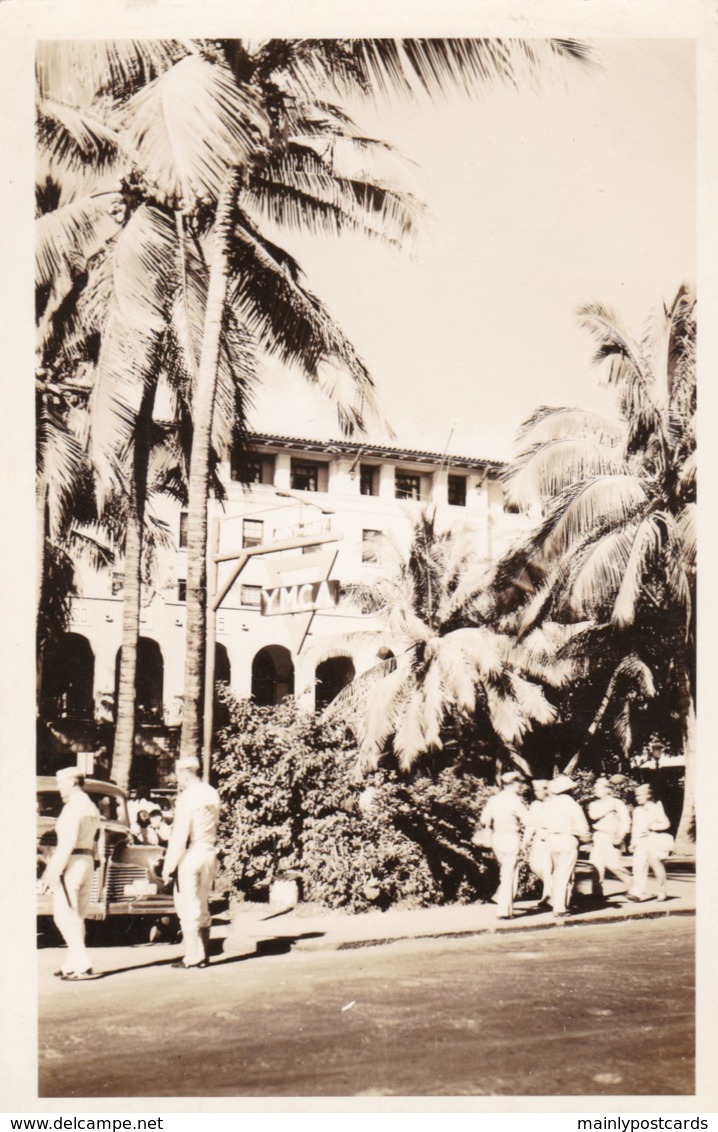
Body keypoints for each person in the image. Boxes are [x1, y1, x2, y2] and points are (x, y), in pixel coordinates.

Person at [38, 766, 101, 980]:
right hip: (86, 860)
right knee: (77, 915)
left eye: (61, 784)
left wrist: (51, 872)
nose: (59, 789)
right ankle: (71, 963)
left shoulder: (74, 807)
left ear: (73, 782)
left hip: (72, 862)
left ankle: (82, 964)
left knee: (64, 916)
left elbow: (67, 843)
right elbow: (96, 838)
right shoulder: (91, 806)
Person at [162, 755, 221, 968]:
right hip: (209, 852)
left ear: (184, 774)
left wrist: (168, 868)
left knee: (187, 906)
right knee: (203, 904)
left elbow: (179, 837)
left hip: (193, 853)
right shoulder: (211, 792)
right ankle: (204, 954)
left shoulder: (187, 797)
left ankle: (193, 956)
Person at [477, 771, 529, 919]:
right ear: (512, 784)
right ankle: (503, 910)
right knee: (509, 874)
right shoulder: (515, 800)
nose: (520, 786)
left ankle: (504, 903)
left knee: (505, 872)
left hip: (497, 838)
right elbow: (527, 819)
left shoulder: (494, 800)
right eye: (518, 783)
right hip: (511, 837)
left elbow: (484, 819)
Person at [541, 774, 591, 918]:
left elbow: (543, 824)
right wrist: (586, 838)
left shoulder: (548, 804)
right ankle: (560, 907)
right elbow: (582, 826)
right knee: (564, 874)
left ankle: (560, 902)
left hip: (551, 839)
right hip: (567, 839)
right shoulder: (572, 804)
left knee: (557, 873)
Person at [627, 783, 674, 902]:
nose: (638, 798)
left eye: (640, 795)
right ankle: (638, 893)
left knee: (656, 866)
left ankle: (662, 891)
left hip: (653, 840)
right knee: (638, 867)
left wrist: (653, 826)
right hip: (640, 841)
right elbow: (635, 828)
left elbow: (666, 823)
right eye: (636, 796)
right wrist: (632, 843)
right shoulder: (637, 810)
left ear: (648, 795)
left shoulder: (655, 807)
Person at [587, 777, 632, 896]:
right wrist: (609, 809)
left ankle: (631, 884)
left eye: (599, 788)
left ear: (607, 789)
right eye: (595, 788)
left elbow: (626, 820)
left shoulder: (617, 803)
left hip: (612, 836)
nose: (595, 790)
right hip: (599, 835)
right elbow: (593, 816)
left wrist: (621, 836)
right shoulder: (594, 804)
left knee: (614, 865)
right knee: (596, 865)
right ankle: (597, 894)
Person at [523, 779, 552, 906]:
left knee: (547, 869)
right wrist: (525, 842)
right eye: (534, 790)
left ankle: (548, 896)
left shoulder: (554, 804)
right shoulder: (535, 805)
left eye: (538, 790)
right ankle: (554, 891)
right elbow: (530, 825)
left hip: (551, 840)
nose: (536, 793)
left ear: (546, 789)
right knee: (534, 865)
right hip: (538, 840)